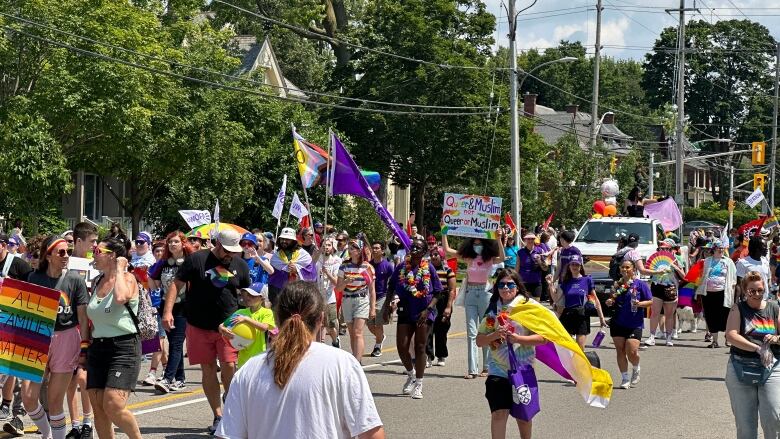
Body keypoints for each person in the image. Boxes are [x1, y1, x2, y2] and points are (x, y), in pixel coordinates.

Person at [216, 281, 384, 439]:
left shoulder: (248, 371)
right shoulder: (342, 364)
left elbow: (229, 435)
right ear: (320, 319)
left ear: (276, 319)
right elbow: (371, 433)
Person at [161, 229, 251, 435]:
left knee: (229, 365)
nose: (231, 255)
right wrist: (167, 312)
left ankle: (231, 405)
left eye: (234, 251)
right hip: (198, 324)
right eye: (227, 250)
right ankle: (218, 415)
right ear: (217, 244)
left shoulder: (240, 265)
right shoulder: (196, 260)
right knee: (208, 369)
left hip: (229, 326)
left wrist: (256, 317)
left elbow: (247, 294)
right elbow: (176, 284)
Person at [21, 236, 90, 439]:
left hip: (66, 338)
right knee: (29, 397)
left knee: (54, 401)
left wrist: (84, 349)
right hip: (38, 339)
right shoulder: (34, 278)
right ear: (48, 255)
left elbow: (83, 318)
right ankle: (48, 433)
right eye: (61, 252)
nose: (66, 256)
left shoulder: (75, 280)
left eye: (68, 251)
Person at [476, 269, 546, 439]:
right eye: (501, 284)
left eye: (510, 284)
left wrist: (518, 339)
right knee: (498, 414)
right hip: (497, 371)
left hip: (523, 370)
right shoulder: (492, 310)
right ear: (496, 287)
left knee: (523, 417)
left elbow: (543, 338)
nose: (505, 287)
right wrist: (494, 335)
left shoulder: (527, 309)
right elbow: (479, 341)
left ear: (517, 287)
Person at [85, 238, 142, 438]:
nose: (94, 254)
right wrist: (84, 348)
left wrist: (119, 269)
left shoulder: (127, 279)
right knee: (98, 409)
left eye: (97, 250)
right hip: (98, 348)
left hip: (123, 346)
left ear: (112, 255)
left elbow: (120, 298)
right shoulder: (97, 281)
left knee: (113, 404)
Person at [383, 237, 443, 399]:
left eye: (417, 248)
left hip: (424, 311)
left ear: (424, 252)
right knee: (402, 346)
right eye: (412, 247)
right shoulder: (402, 267)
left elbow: (438, 291)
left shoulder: (428, 268)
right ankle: (411, 374)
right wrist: (386, 305)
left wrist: (428, 309)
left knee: (420, 346)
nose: (413, 250)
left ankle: (419, 383)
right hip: (405, 310)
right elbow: (391, 286)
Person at [441, 231, 505, 379]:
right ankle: (472, 369)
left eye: (480, 239)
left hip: (485, 294)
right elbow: (447, 250)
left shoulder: (489, 257)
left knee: (487, 331)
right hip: (471, 294)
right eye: (474, 240)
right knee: (471, 332)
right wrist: (444, 231)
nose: (477, 241)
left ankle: (487, 367)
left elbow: (501, 257)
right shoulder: (468, 256)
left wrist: (499, 239)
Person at [724, 271, 780, 439]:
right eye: (752, 291)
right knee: (746, 424)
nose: (756, 294)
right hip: (740, 367)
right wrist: (757, 348)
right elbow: (731, 335)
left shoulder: (774, 307)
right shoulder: (738, 308)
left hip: (771, 367)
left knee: (774, 417)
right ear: (744, 291)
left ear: (765, 290)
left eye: (760, 290)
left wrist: (776, 338)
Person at [64, 222, 99, 439]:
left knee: (84, 378)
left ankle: (88, 421)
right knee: (69, 379)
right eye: (92, 241)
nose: (95, 245)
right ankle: (75, 424)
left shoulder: (96, 263)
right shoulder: (65, 263)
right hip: (69, 324)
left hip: (91, 325)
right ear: (78, 241)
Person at [149, 231, 194, 394]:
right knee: (173, 341)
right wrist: (156, 293)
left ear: (183, 243)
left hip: (183, 307)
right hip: (165, 307)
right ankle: (180, 379)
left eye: (175, 242)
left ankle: (168, 378)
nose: (172, 245)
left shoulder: (190, 262)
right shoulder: (163, 263)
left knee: (176, 343)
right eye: (170, 242)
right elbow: (151, 278)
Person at [606, 260, 652, 389]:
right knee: (620, 351)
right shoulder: (617, 285)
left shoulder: (640, 284)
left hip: (634, 323)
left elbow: (650, 301)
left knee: (631, 351)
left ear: (633, 269)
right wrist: (610, 301)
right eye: (623, 267)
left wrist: (640, 304)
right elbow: (613, 299)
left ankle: (636, 368)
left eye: (628, 267)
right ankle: (625, 378)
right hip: (618, 322)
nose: (625, 269)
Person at [554, 254, 607, 350]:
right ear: (569, 266)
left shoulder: (587, 280)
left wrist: (601, 318)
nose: (574, 267)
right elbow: (557, 300)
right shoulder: (565, 282)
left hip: (582, 315)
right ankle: (569, 365)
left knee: (580, 347)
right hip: (568, 315)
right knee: (567, 347)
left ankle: (580, 365)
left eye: (577, 265)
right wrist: (550, 285)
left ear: (581, 266)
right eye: (572, 264)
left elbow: (596, 299)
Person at [336, 239, 376, 362]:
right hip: (347, 300)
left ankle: (357, 362)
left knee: (358, 332)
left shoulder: (367, 267)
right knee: (352, 333)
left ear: (359, 251)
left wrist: (373, 308)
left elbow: (372, 290)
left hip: (361, 300)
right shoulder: (344, 266)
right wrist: (346, 282)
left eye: (353, 248)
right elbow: (338, 288)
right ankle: (354, 358)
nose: (350, 250)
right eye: (349, 248)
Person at [218, 283, 276, 368]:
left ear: (262, 298)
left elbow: (264, 327)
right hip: (243, 356)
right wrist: (222, 329)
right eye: (248, 295)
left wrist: (246, 319)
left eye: (253, 296)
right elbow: (222, 325)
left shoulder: (266, 312)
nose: (248, 297)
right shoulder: (241, 312)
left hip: (258, 356)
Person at [645, 239, 686, 347]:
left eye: (666, 248)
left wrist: (676, 267)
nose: (663, 250)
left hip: (670, 288)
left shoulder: (676, 259)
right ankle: (652, 337)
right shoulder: (655, 257)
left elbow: (684, 276)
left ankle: (668, 337)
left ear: (671, 249)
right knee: (655, 313)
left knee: (669, 315)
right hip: (657, 286)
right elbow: (646, 270)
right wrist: (656, 271)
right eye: (661, 248)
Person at [698, 239, 737, 348]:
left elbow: (733, 280)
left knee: (725, 316)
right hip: (708, 293)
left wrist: (732, 294)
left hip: (723, 293)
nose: (721, 250)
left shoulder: (728, 262)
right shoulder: (706, 261)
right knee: (711, 316)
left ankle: (727, 338)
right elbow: (701, 276)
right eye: (718, 248)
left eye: (722, 248)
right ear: (713, 249)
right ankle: (715, 341)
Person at [268, 228, 316, 306]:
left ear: (294, 241)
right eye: (282, 239)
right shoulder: (275, 256)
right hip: (278, 293)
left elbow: (312, 273)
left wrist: (297, 270)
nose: (284, 241)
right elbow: (273, 276)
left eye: (287, 239)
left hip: (298, 293)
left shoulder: (304, 255)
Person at [427, 247, 456, 366]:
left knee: (441, 330)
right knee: (428, 330)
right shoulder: (426, 270)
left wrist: (448, 307)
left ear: (442, 256)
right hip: (430, 300)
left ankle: (441, 356)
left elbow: (452, 290)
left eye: (436, 255)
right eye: (432, 255)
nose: (433, 257)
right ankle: (428, 356)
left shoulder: (448, 270)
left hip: (443, 301)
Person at [368, 241, 393, 358]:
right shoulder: (368, 265)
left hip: (382, 297)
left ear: (382, 251)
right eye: (373, 248)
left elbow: (393, 283)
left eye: (377, 248)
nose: (374, 250)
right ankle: (381, 337)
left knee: (378, 323)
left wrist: (393, 299)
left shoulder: (388, 265)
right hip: (369, 297)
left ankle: (377, 346)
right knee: (369, 324)